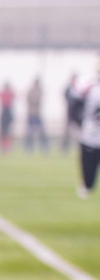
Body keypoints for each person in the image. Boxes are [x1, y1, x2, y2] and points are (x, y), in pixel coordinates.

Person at [70, 63, 100, 199]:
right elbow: (74, 104)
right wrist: (79, 123)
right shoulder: (88, 85)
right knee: (88, 164)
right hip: (90, 132)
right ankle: (86, 185)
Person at [25, 77, 49, 153]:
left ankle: (44, 148)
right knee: (29, 133)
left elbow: (40, 100)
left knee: (42, 132)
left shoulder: (40, 91)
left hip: (38, 114)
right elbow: (29, 100)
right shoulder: (31, 91)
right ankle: (29, 148)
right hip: (31, 114)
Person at [64, 73, 84, 153]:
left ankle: (78, 147)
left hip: (78, 116)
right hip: (70, 114)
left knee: (78, 133)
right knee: (67, 132)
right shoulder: (69, 89)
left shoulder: (79, 89)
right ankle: (65, 148)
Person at [0, 82, 16, 154]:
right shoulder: (3, 93)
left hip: (8, 111)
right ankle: (3, 146)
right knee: (3, 131)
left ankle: (8, 146)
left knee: (8, 131)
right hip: (4, 112)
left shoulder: (10, 93)